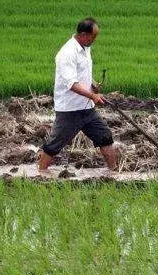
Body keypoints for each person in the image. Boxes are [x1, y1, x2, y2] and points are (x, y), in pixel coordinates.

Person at [37, 17, 117, 172]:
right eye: (93, 37)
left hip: (86, 108)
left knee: (105, 138)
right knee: (54, 146)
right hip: (70, 110)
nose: (94, 40)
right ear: (83, 34)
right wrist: (93, 96)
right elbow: (71, 84)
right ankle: (40, 174)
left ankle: (115, 173)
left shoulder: (85, 48)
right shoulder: (67, 53)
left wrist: (92, 84)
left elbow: (81, 74)